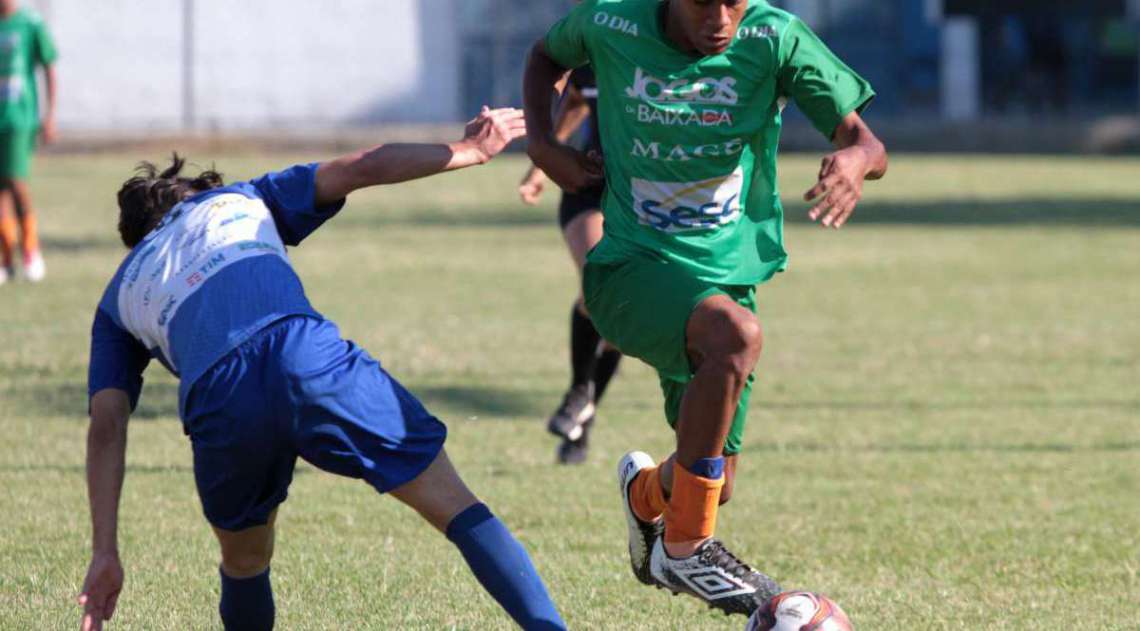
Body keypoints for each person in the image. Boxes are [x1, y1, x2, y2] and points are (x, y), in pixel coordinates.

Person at [78, 108, 567, 631]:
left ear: (139, 237)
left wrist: (105, 549)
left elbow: (107, 426)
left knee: (244, 562)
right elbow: (363, 165)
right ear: (196, 191)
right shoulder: (242, 197)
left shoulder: (120, 292)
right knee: (454, 505)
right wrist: (470, 150)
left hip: (219, 398)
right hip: (303, 353)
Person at [523, 0, 887, 616]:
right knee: (737, 337)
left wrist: (855, 159)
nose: (721, 18)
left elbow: (866, 142)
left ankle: (646, 498)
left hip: (724, 279)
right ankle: (687, 548)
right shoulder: (612, 22)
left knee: (716, 477)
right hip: (629, 269)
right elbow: (545, 56)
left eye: (734, 1)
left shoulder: (774, 37)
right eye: (702, 2)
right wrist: (541, 145)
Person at [518, 63, 622, 465]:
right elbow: (577, 99)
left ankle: (584, 416)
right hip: (588, 190)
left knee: (624, 310)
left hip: (641, 198)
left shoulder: (657, 50)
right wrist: (542, 162)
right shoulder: (592, 51)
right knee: (602, 280)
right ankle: (580, 390)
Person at [0, 0, 56, 284]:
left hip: (18, 118)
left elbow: (49, 66)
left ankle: (31, 251)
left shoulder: (30, 24)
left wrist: (49, 115)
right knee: (1, 190)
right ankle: (6, 258)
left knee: (16, 182)